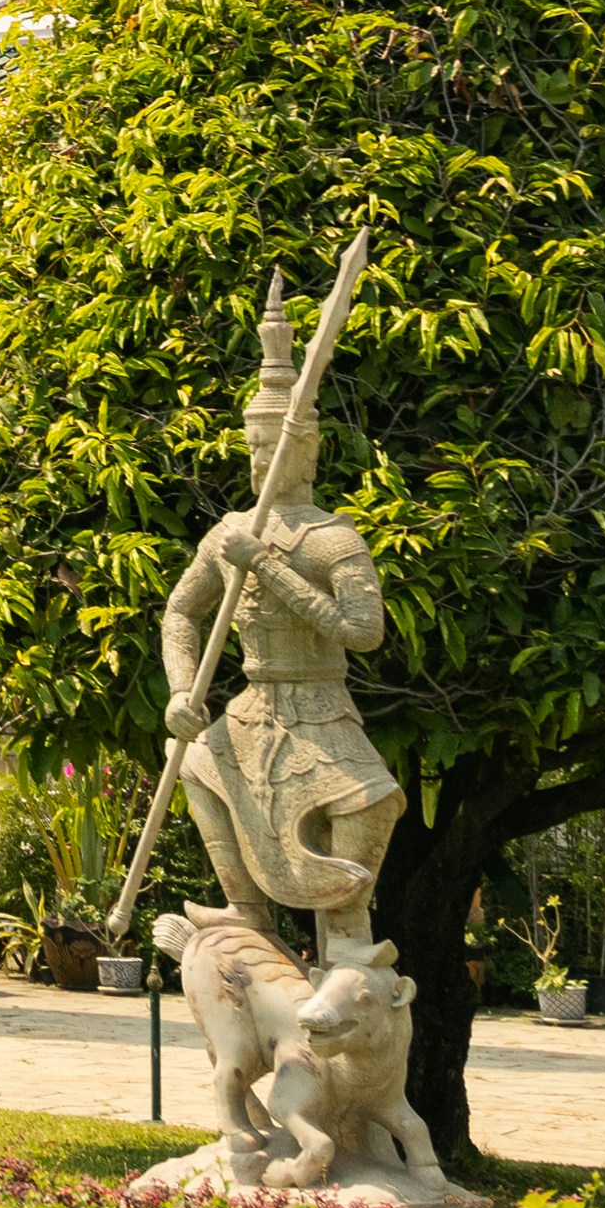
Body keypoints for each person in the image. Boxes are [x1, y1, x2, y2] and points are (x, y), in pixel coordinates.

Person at [161, 280, 403, 962]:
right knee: (196, 761)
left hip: (322, 705)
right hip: (254, 705)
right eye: (253, 450)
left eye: (274, 450)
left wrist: (267, 567)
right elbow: (181, 611)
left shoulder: (333, 540)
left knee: (369, 801)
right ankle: (246, 906)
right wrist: (182, 690)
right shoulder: (229, 531)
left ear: (308, 452)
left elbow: (363, 631)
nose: (261, 462)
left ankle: (347, 934)